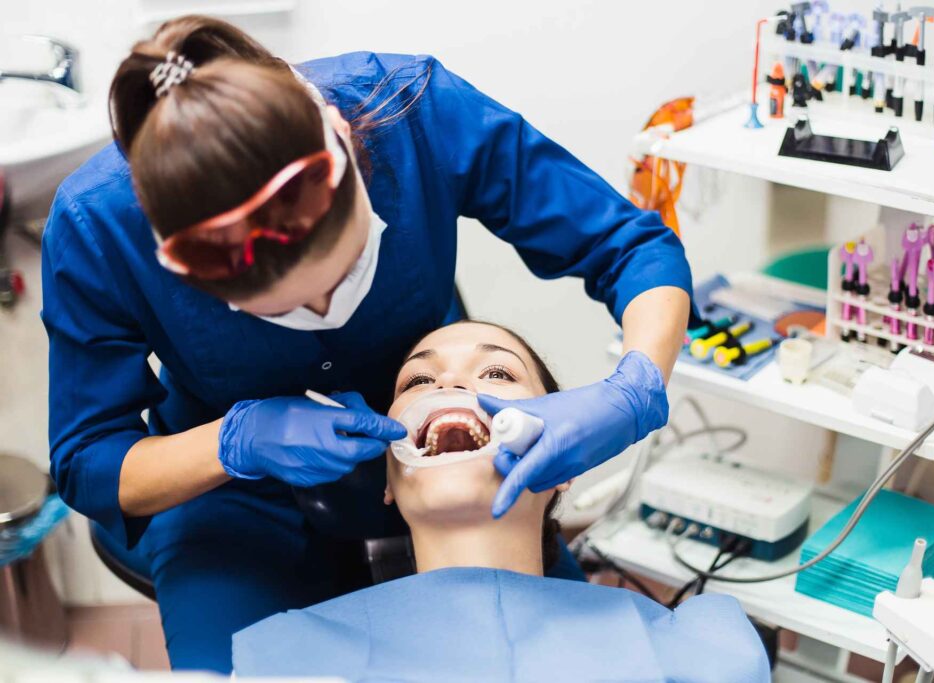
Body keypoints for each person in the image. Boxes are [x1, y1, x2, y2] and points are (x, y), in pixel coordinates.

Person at [41, 15, 695, 673]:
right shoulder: (98, 224)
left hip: (451, 478)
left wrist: (634, 389)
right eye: (283, 307)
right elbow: (87, 459)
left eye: (344, 269)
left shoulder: (414, 111)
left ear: (346, 141)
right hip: (233, 500)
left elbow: (631, 246)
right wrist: (235, 441)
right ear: (187, 268)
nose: (325, 309)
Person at [233, 321, 770, 682]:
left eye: (497, 373)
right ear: (389, 482)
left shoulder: (695, 649)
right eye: (419, 379)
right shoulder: (285, 656)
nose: (449, 381)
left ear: (567, 459)